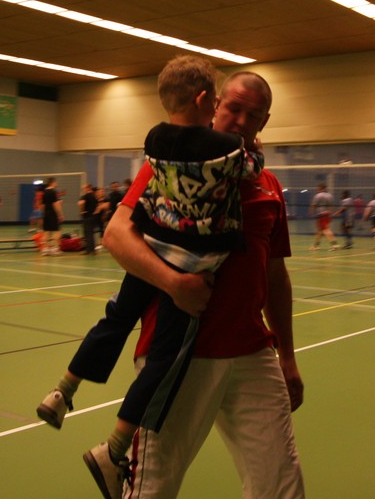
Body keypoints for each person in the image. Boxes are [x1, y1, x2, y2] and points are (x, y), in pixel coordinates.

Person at [36, 56, 264, 499]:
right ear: (205, 100)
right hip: (186, 264)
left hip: (151, 249)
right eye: (217, 102)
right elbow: (251, 166)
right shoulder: (225, 149)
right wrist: (253, 145)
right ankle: (114, 448)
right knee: (165, 361)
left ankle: (63, 390)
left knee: (115, 320)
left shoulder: (154, 140)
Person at [101, 69, 303, 499]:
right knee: (153, 486)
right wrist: (174, 283)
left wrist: (287, 356)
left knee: (281, 484)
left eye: (254, 115)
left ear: (264, 122)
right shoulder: (172, 166)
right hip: (179, 353)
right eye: (234, 108)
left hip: (252, 352)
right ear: (215, 105)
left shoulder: (268, 185)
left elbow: (275, 276)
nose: (241, 121)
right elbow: (116, 236)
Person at [309, 183, 338, 251]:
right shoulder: (329, 195)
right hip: (327, 214)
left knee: (326, 230)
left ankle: (334, 245)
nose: (317, 189)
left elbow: (313, 205)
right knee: (320, 231)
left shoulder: (318, 195)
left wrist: (311, 212)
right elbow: (331, 206)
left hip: (321, 215)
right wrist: (330, 214)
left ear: (320, 188)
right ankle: (316, 246)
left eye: (318, 188)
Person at [39, 177, 63, 255]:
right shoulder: (53, 192)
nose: (56, 184)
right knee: (57, 231)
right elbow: (56, 204)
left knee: (46, 232)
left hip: (46, 214)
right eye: (56, 182)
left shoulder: (44, 192)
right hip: (53, 214)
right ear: (52, 182)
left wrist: (43, 214)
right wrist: (60, 215)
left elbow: (42, 205)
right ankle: (55, 249)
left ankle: (45, 249)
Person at [80, 182, 100, 254]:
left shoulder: (85, 196)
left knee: (87, 234)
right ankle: (92, 250)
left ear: (88, 188)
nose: (83, 190)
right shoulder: (94, 196)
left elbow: (81, 203)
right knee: (91, 233)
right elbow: (98, 206)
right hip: (93, 217)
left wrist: (82, 211)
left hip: (87, 217)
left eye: (84, 188)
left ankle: (88, 250)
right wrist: (95, 212)